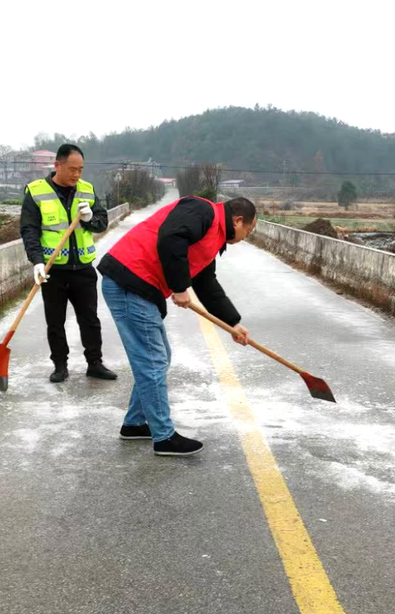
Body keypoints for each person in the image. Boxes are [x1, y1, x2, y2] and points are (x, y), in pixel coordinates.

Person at [97, 195, 257, 456]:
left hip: (138, 286)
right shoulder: (203, 211)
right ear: (238, 220)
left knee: (159, 359)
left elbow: (206, 284)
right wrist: (180, 287)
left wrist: (233, 323)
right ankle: (164, 437)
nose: (244, 238)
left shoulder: (212, 237)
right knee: (153, 361)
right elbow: (171, 238)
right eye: (248, 231)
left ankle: (134, 423)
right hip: (130, 281)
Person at [20, 144, 118, 383]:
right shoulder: (36, 192)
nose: (77, 174)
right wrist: (37, 261)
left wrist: (89, 218)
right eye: (72, 169)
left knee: (90, 319)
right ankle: (60, 366)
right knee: (55, 322)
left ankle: (94, 363)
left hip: (83, 269)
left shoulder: (87, 190)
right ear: (57, 165)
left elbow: (101, 222)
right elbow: (29, 230)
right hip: (53, 270)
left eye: (80, 169)